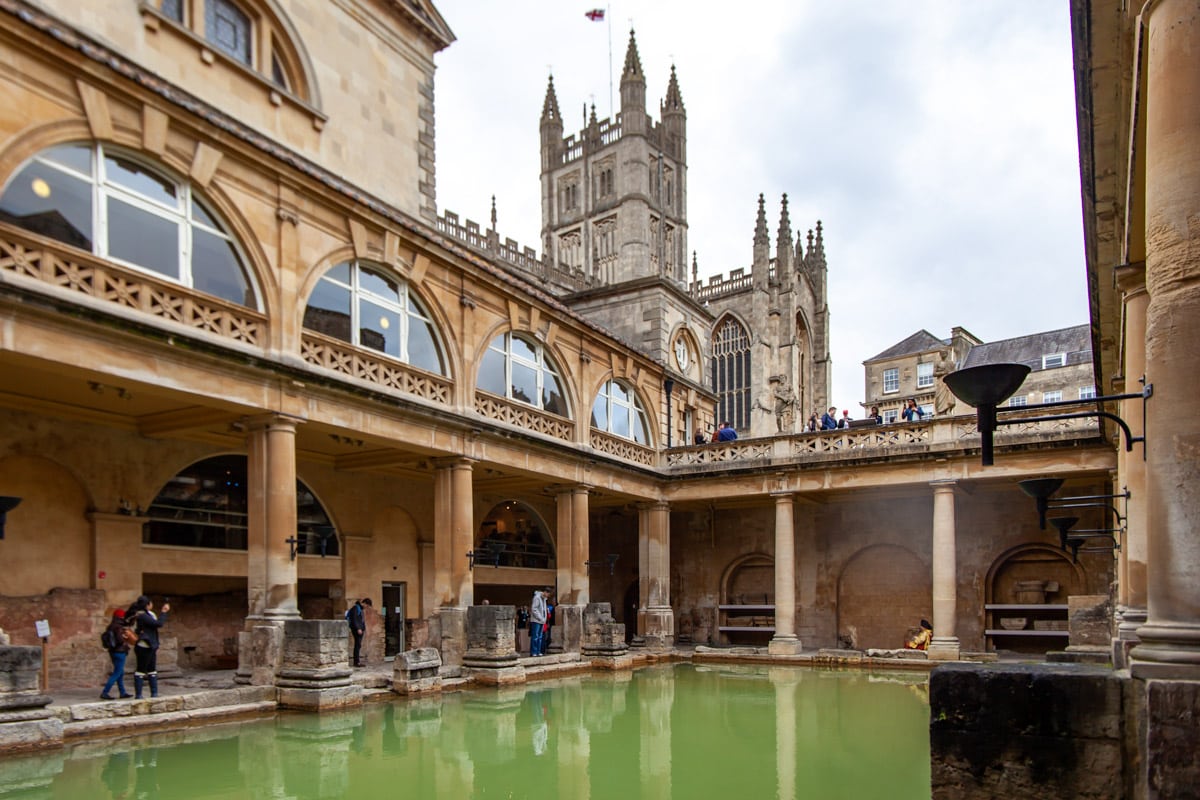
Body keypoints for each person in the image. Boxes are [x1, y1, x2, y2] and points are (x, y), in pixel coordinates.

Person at [127, 595, 169, 699]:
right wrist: (164, 612)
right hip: (144, 645)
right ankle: (139, 695)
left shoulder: (147, 614)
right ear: (147, 605)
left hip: (151, 645)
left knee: (152, 669)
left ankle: (154, 693)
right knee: (141, 669)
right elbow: (158, 624)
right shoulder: (142, 616)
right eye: (150, 603)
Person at [99, 608, 133, 700]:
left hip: (113, 651)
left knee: (120, 672)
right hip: (120, 651)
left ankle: (122, 692)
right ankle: (105, 692)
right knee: (117, 673)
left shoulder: (111, 626)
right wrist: (125, 637)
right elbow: (119, 639)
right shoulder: (118, 627)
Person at [346, 597, 370, 667]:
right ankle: (356, 662)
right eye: (367, 605)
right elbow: (354, 619)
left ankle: (357, 661)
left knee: (358, 645)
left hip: (360, 629)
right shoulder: (356, 608)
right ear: (364, 603)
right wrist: (358, 628)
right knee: (357, 645)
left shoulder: (359, 609)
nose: (367, 607)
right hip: (357, 630)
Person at [529, 589, 547, 656]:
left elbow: (544, 610)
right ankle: (533, 651)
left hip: (542, 621)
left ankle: (538, 651)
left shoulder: (544, 599)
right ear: (545, 592)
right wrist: (540, 617)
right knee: (535, 636)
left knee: (540, 637)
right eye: (547, 594)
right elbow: (534, 609)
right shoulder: (537, 597)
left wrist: (544, 619)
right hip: (536, 620)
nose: (548, 596)